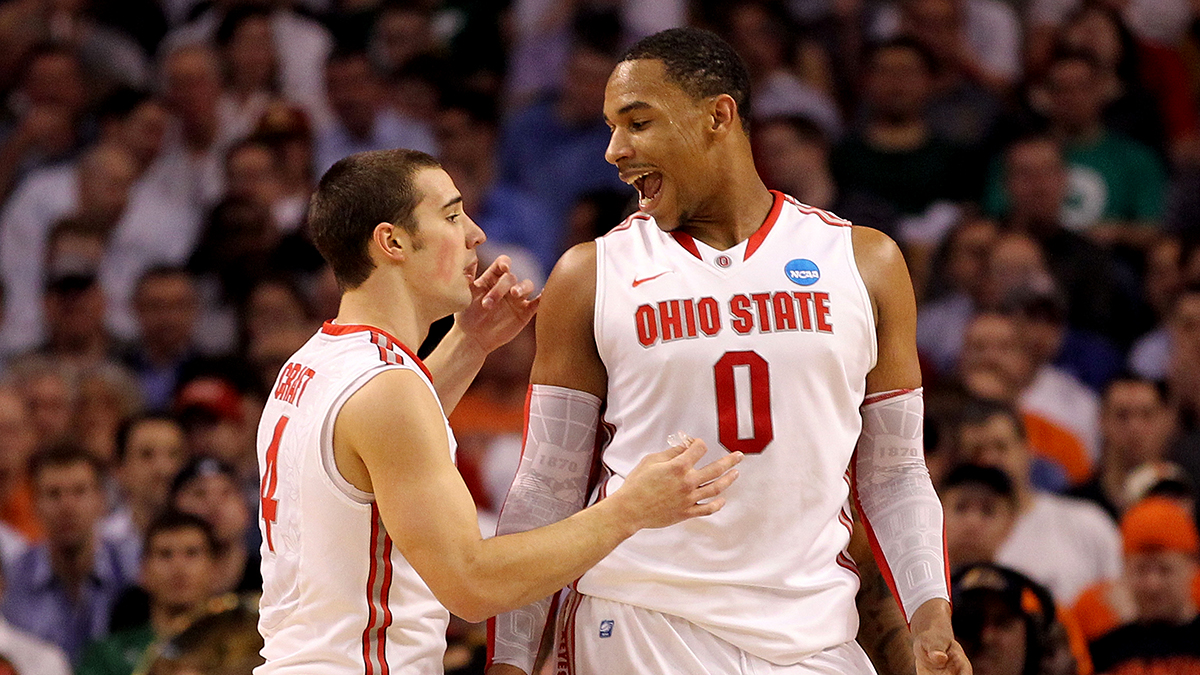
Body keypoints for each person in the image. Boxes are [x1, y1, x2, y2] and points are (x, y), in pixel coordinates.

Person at [489, 27, 966, 675]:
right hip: (640, 619)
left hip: (812, 631)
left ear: (719, 115)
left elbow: (896, 472)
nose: (614, 150)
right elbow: (548, 484)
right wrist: (511, 659)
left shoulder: (866, 262)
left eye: (637, 122)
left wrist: (930, 612)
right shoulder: (591, 275)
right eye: (610, 127)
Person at [254, 148, 742, 674]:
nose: (475, 234)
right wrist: (629, 510)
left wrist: (468, 342)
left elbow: (378, 447)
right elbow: (473, 583)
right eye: (450, 215)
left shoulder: (316, 362)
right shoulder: (387, 390)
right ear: (391, 242)